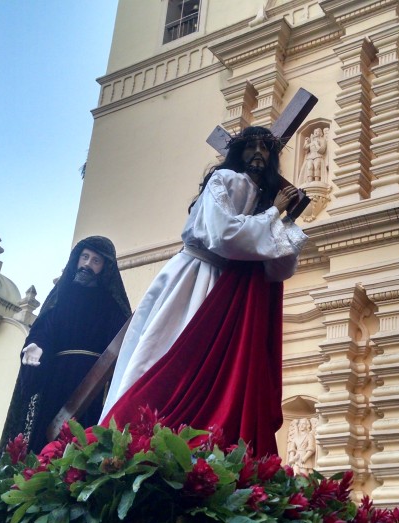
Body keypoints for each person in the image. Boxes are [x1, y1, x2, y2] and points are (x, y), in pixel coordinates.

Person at [100, 126, 308, 456]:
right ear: (237, 152)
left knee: (213, 372)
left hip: (228, 289)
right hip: (195, 276)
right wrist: (273, 213)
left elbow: (275, 263)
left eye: (266, 148)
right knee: (168, 351)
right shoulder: (225, 180)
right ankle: (132, 436)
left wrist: (282, 218)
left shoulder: (262, 196)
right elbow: (225, 235)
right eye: (251, 146)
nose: (258, 153)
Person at [0, 236, 131, 454]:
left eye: (96, 260)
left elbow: (123, 339)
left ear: (105, 267)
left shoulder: (111, 304)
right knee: (48, 440)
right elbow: (45, 327)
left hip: (93, 383)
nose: (87, 264)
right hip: (56, 380)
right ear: (76, 260)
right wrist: (37, 344)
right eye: (85, 257)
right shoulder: (62, 297)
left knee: (87, 439)